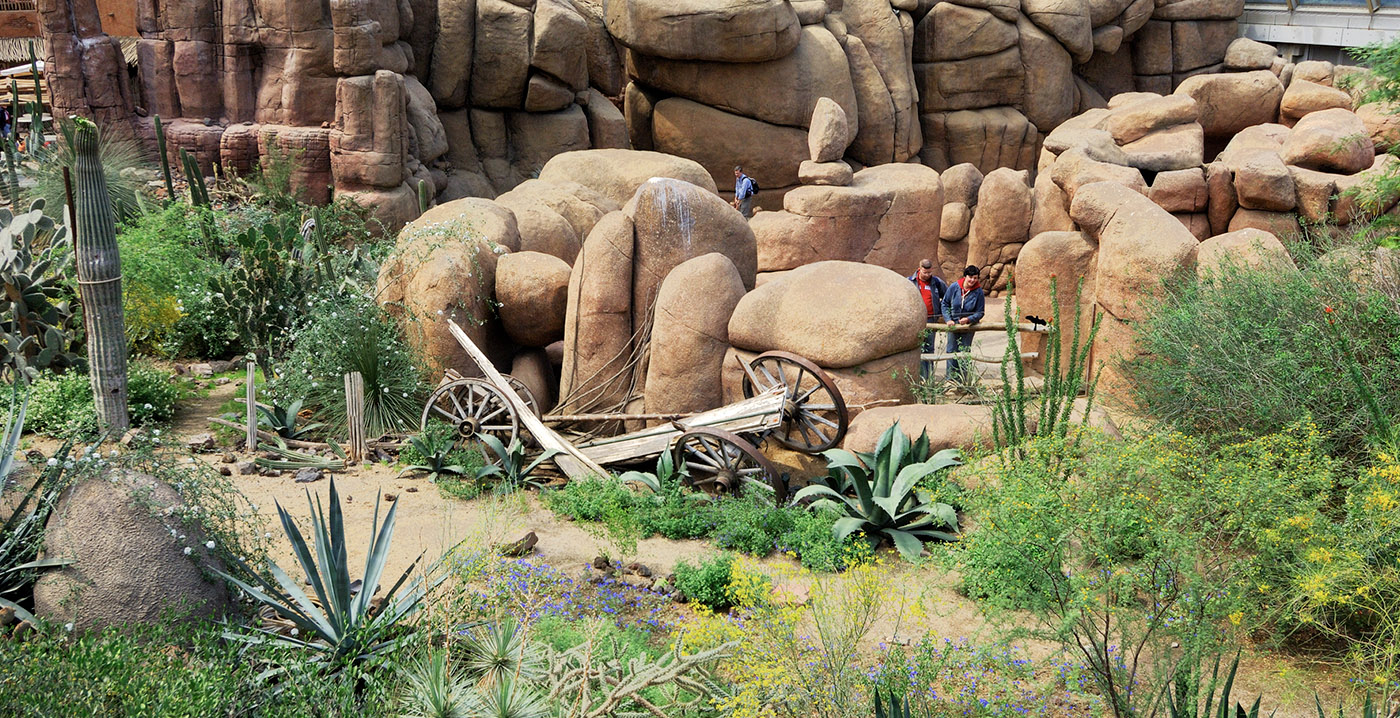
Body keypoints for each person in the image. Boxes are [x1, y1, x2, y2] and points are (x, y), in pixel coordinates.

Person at [941, 265, 986, 384]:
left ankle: (963, 381)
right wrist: (948, 319)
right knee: (951, 350)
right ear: (965, 276)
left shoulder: (978, 292)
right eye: (970, 277)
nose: (972, 280)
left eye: (975, 278)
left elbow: (980, 312)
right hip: (953, 325)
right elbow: (945, 303)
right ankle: (950, 380)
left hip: (968, 328)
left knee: (964, 351)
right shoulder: (954, 287)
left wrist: (969, 319)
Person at [908, 259, 947, 379]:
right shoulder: (910, 282)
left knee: (929, 348)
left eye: (930, 272)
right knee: (916, 347)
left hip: (931, 320)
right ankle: (917, 377)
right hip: (915, 321)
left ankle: (928, 377)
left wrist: (942, 312)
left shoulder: (936, 282)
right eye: (925, 273)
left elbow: (946, 297)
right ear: (919, 269)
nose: (928, 275)